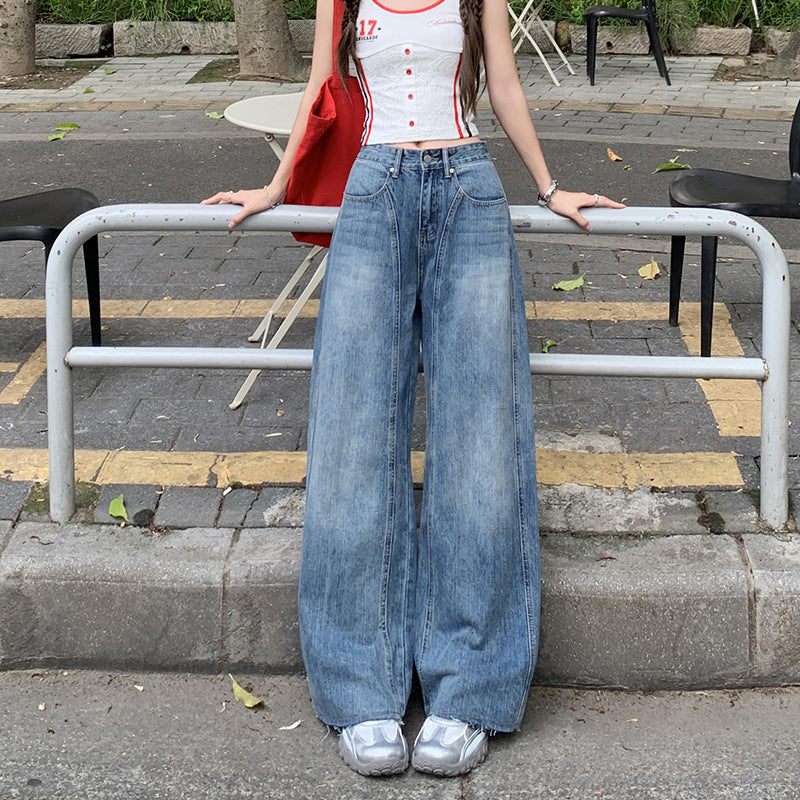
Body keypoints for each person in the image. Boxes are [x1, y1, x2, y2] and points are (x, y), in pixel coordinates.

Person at [204, 0, 623, 778]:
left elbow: (503, 86)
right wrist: (274, 186)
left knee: (481, 436)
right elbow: (319, 87)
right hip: (372, 191)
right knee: (352, 431)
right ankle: (360, 687)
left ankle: (471, 687)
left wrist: (551, 187)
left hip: (470, 191)